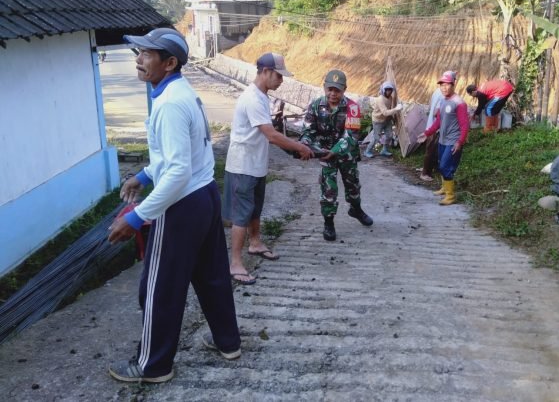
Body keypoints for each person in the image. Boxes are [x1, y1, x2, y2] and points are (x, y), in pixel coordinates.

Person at [107, 28, 241, 383]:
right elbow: (179, 155)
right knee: (212, 276)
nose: (138, 59)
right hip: (206, 194)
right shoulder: (182, 92)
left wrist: (137, 217)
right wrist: (144, 175)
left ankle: (152, 366)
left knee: (159, 287)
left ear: (168, 63)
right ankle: (228, 341)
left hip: (182, 204)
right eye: (138, 52)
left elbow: (178, 171)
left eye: (146, 54)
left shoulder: (167, 105)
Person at [224, 53, 313, 285]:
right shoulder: (252, 98)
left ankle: (255, 243)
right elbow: (271, 135)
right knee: (241, 215)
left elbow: (268, 136)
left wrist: (293, 149)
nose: (281, 80)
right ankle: (235, 262)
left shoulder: (262, 96)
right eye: (278, 75)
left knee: (255, 208)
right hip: (242, 165)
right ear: (265, 71)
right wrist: (299, 147)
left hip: (256, 164)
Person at [300, 69, 374, 241]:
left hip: (346, 154)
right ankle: (329, 223)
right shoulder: (316, 106)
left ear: (344, 90)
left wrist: (334, 151)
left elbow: (352, 136)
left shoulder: (352, 108)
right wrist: (307, 146)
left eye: (337, 90)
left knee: (353, 185)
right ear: (324, 87)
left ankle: (356, 209)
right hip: (325, 154)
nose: (333, 93)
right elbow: (307, 132)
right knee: (329, 189)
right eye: (330, 89)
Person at [417, 71, 469, 205]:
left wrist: (460, 142)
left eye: (447, 85)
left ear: (453, 85)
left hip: (453, 141)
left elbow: (465, 125)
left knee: (446, 166)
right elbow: (438, 121)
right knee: (441, 164)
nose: (444, 88)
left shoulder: (459, 103)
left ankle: (450, 196)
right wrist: (426, 133)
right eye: (442, 85)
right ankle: (444, 188)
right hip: (443, 139)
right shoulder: (443, 101)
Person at [365, 81, 402, 158]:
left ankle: (384, 150)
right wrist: (396, 109)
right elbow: (385, 112)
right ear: (383, 90)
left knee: (389, 135)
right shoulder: (380, 99)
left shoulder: (390, 98)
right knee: (376, 138)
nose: (389, 91)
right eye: (387, 89)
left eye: (390, 90)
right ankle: (367, 151)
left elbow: (389, 109)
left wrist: (393, 116)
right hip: (378, 120)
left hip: (386, 119)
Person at [419, 81, 446, 182]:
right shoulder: (443, 95)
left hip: (430, 125)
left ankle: (429, 169)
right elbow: (436, 113)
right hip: (435, 128)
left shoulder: (436, 91)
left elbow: (430, 107)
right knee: (431, 151)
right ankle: (425, 173)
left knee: (431, 150)